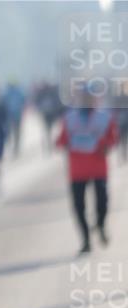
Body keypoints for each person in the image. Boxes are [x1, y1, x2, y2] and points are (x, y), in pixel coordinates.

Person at [56, 91, 120, 253]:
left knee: (102, 202)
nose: (87, 101)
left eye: (90, 98)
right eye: (84, 98)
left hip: (98, 168)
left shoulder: (104, 117)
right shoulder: (70, 118)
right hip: (77, 170)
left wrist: (105, 145)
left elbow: (114, 138)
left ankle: (100, 225)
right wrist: (67, 143)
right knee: (78, 207)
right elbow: (60, 141)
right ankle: (85, 240)